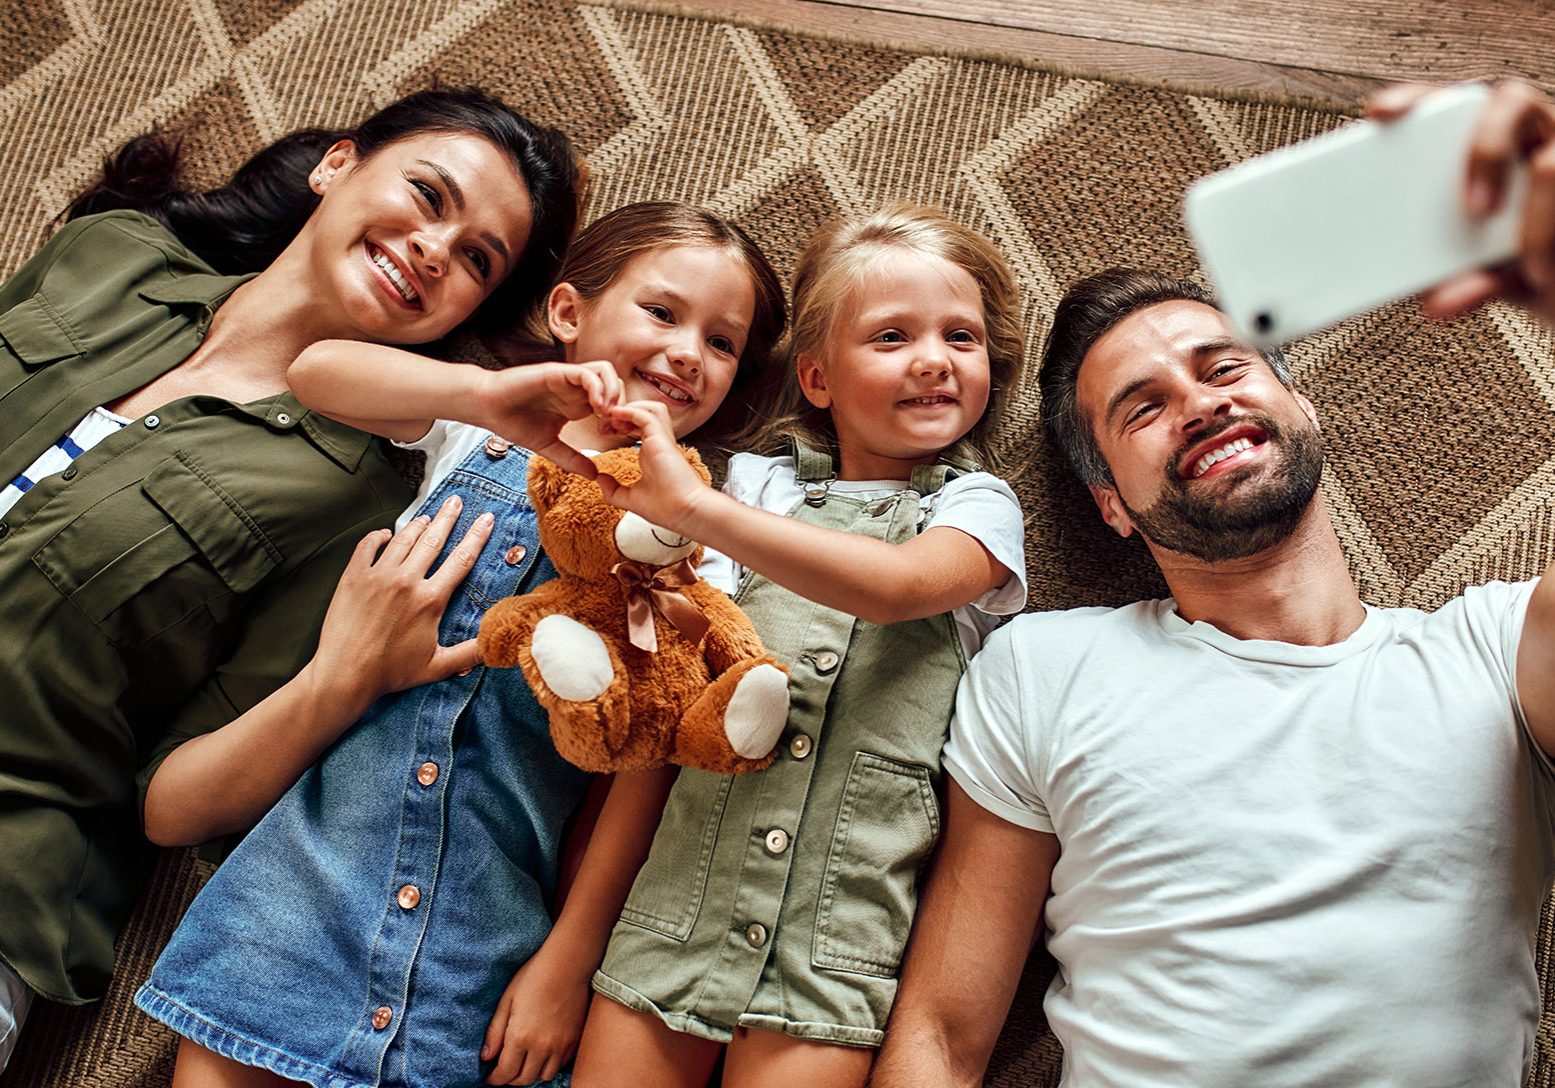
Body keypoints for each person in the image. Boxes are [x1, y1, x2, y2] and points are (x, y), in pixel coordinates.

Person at [871, 80, 1555, 1087]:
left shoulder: (1498, 649)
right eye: (1141, 407)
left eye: (1223, 367)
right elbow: (938, 1031)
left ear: (1299, 404)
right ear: (1110, 501)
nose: (1196, 402)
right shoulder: (1044, 667)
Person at [132, 200, 789, 1088]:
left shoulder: (705, 524)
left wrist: (570, 958)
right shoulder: (474, 427)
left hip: (484, 937)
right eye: (663, 313)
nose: (686, 353)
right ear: (567, 313)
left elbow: (648, 761)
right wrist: (478, 392)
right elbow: (316, 370)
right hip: (289, 904)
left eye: (722, 343)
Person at [0, 87, 581, 1071]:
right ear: (336, 164)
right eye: (426, 195)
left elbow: (171, 803)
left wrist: (338, 682)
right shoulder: (115, 259)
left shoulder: (353, 496)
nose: (438, 248)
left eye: (478, 259)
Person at [568, 204, 1029, 1088]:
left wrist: (699, 514)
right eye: (891, 336)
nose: (933, 358)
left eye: (960, 337)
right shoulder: (752, 485)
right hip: (672, 909)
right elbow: (679, 676)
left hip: (835, 944)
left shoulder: (975, 507)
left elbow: (896, 589)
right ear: (815, 379)